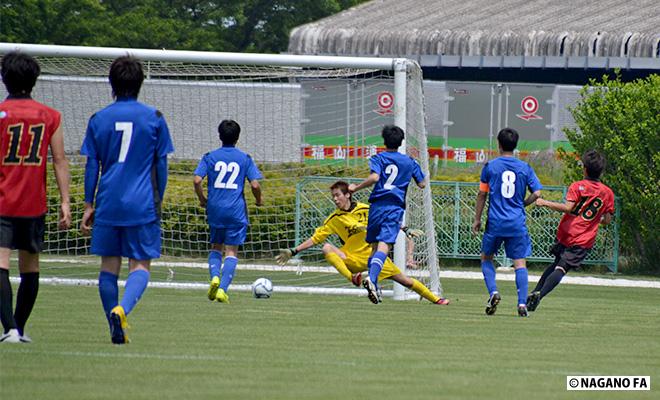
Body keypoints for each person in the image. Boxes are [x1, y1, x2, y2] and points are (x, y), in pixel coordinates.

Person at [80, 56, 174, 344]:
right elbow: (161, 165)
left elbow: (92, 165)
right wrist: (159, 199)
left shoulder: (98, 119)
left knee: (109, 267)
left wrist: (88, 203)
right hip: (141, 203)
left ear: (112, 83)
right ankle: (122, 310)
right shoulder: (154, 118)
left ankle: (112, 318)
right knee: (140, 266)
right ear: (140, 83)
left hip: (108, 202)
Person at [275, 181, 448, 305]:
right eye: (333, 196)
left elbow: (387, 219)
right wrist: (293, 251)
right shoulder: (334, 218)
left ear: (348, 194)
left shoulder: (366, 209)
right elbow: (316, 238)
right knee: (327, 247)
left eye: (338, 195)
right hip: (352, 259)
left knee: (406, 281)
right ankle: (353, 278)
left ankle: (436, 299)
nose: (335, 199)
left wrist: (405, 229)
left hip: (374, 258)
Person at [0, 52, 71, 343]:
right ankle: (20, 327)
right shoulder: (49, 116)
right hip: (33, 202)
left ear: (4, 78)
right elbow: (59, 160)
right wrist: (65, 202)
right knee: (30, 267)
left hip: (3, 201)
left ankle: (9, 329)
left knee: (1, 264)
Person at [348, 125, 428, 304]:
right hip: (393, 207)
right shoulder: (409, 161)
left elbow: (375, 178)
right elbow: (422, 183)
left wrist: (356, 187)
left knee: (375, 248)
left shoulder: (378, 158)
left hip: (376, 206)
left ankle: (375, 287)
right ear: (401, 142)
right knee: (385, 247)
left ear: (384, 141)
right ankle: (373, 280)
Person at [528, 150, 614, 311]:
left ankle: (534, 293)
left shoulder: (577, 186)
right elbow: (607, 220)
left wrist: (545, 202)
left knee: (555, 265)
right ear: (601, 171)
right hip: (583, 240)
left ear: (585, 169)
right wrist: (596, 220)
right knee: (561, 268)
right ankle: (539, 295)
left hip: (566, 233)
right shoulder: (607, 193)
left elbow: (568, 208)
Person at [472, 128, 542, 317]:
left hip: (495, 222)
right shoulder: (524, 168)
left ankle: (493, 292)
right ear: (515, 145)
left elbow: (482, 193)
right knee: (520, 264)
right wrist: (523, 204)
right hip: (516, 222)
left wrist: (477, 219)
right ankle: (521, 304)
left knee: (486, 258)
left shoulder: (490, 167)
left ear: (499, 144)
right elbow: (537, 193)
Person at [194, 119, 263, 304]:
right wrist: (258, 200)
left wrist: (202, 200)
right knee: (231, 251)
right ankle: (222, 290)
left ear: (219, 136)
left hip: (215, 209)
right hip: (235, 210)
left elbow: (197, 180)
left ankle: (214, 277)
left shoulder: (209, 156)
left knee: (216, 246)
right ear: (238, 137)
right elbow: (255, 184)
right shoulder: (244, 158)